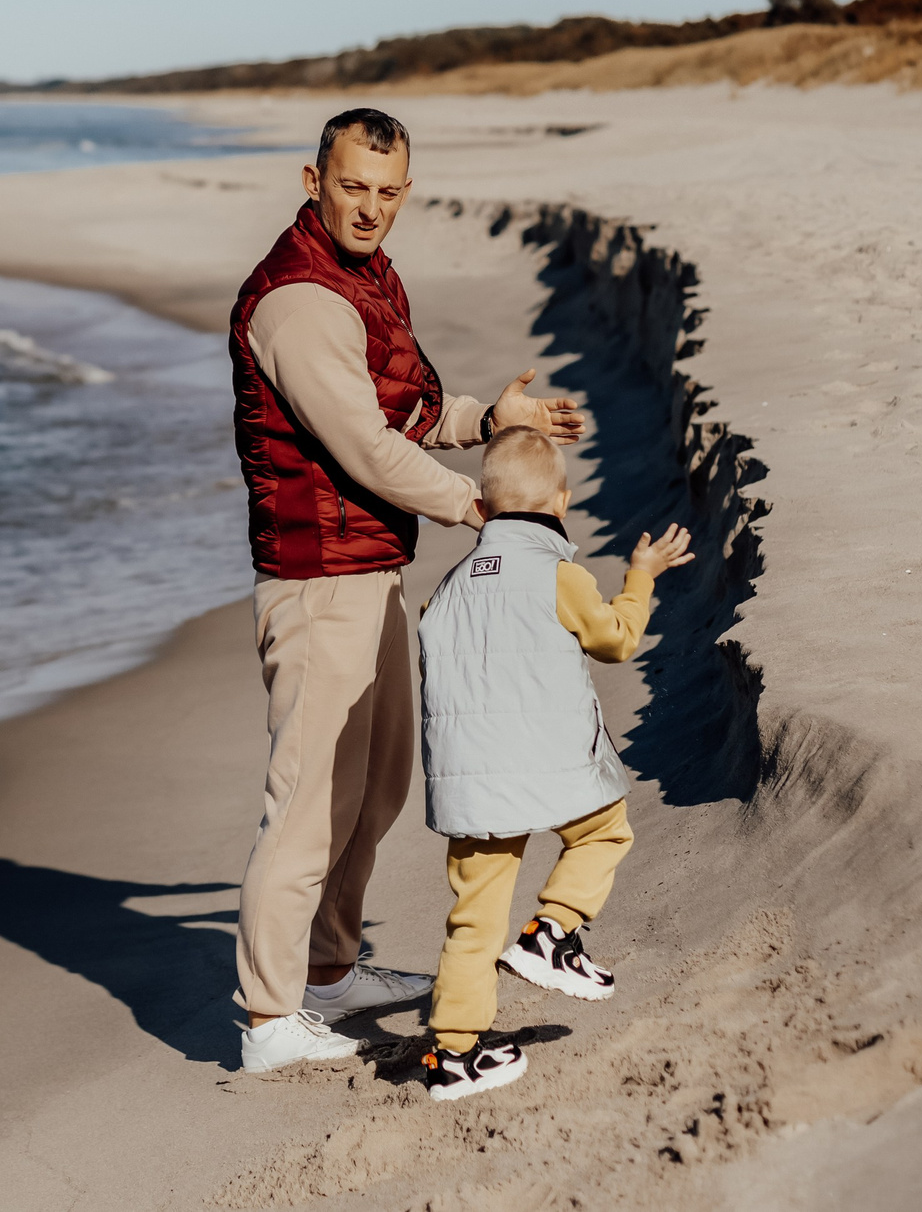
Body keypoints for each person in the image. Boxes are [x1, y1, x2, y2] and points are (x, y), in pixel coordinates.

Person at [230, 107, 585, 1075]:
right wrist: (485, 511)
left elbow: (404, 406)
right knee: (307, 804)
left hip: (367, 568)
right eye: (352, 187)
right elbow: (363, 447)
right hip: (315, 580)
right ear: (313, 181)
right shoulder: (300, 301)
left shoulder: (365, 276)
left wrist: (487, 418)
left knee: (375, 786)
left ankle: (329, 972)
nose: (370, 208)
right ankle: (268, 1020)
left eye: (387, 193)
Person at [412, 426, 694, 1101]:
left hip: (469, 779)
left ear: (483, 503)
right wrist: (640, 577)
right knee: (603, 829)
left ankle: (453, 1055)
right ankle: (555, 930)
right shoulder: (559, 573)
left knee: (475, 917)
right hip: (546, 761)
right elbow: (615, 641)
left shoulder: (449, 587)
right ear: (562, 501)